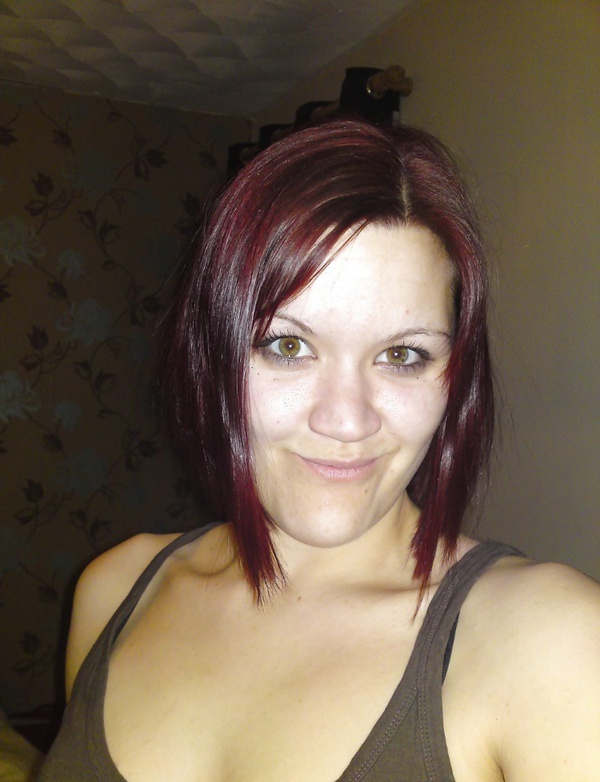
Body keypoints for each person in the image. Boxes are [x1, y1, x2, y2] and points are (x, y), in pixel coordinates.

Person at [38, 117, 599, 782]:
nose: (345, 420)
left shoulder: (552, 641)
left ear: (455, 379)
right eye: (288, 346)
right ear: (213, 356)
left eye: (402, 355)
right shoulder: (114, 589)